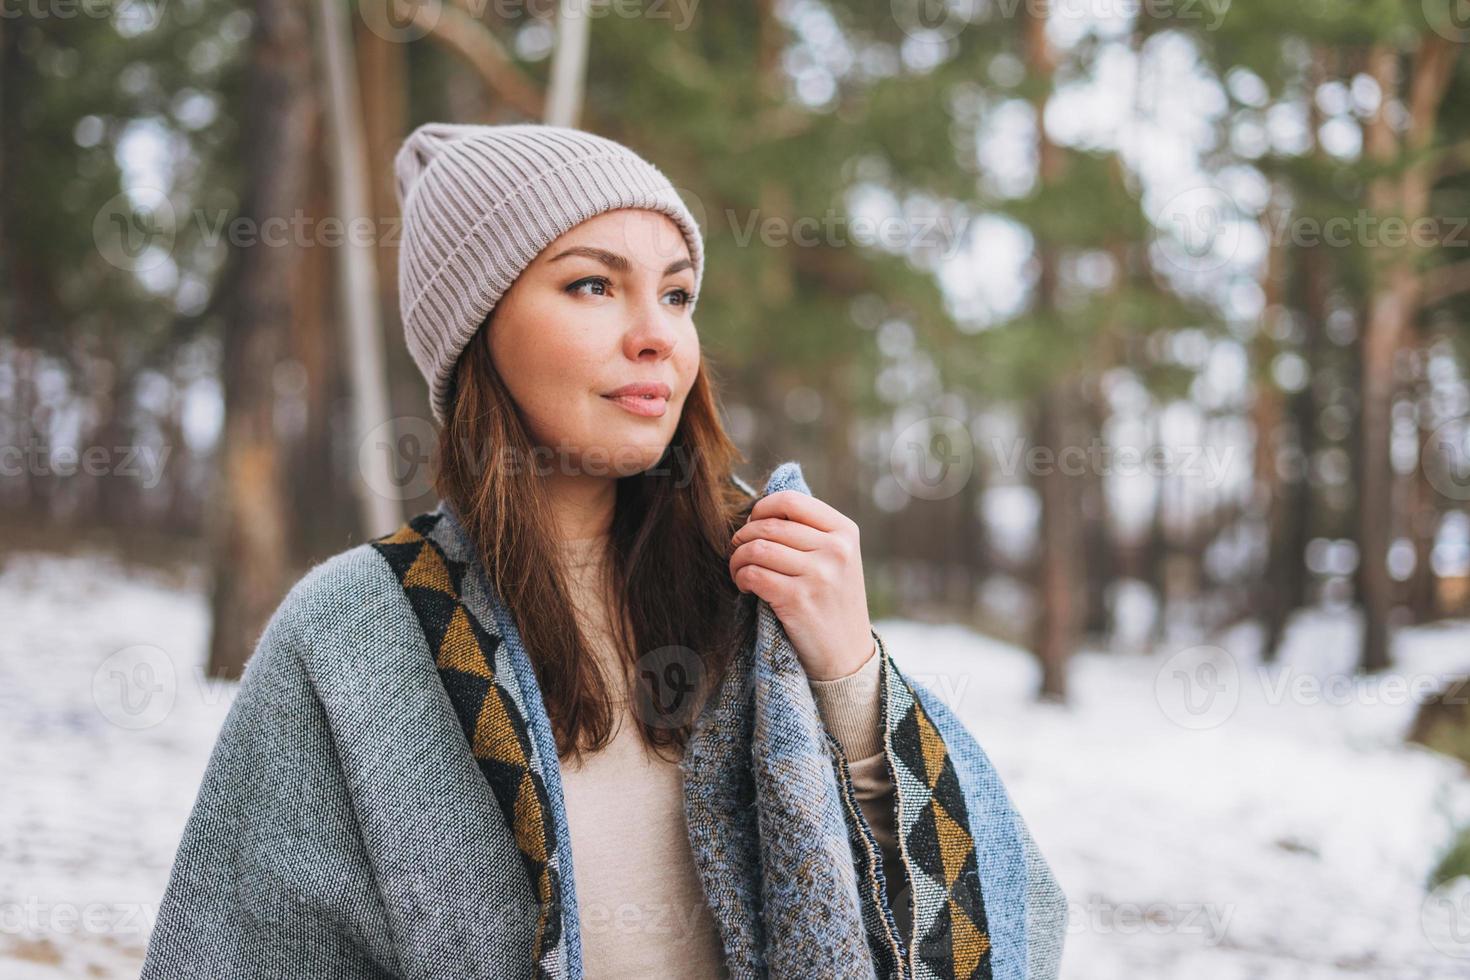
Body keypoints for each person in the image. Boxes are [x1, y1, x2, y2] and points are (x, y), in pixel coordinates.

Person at [140, 123, 1066, 980]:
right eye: (593, 284)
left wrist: (852, 684)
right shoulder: (351, 635)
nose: (656, 333)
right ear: (478, 330)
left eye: (676, 293)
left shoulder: (762, 590)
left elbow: (1015, 914)